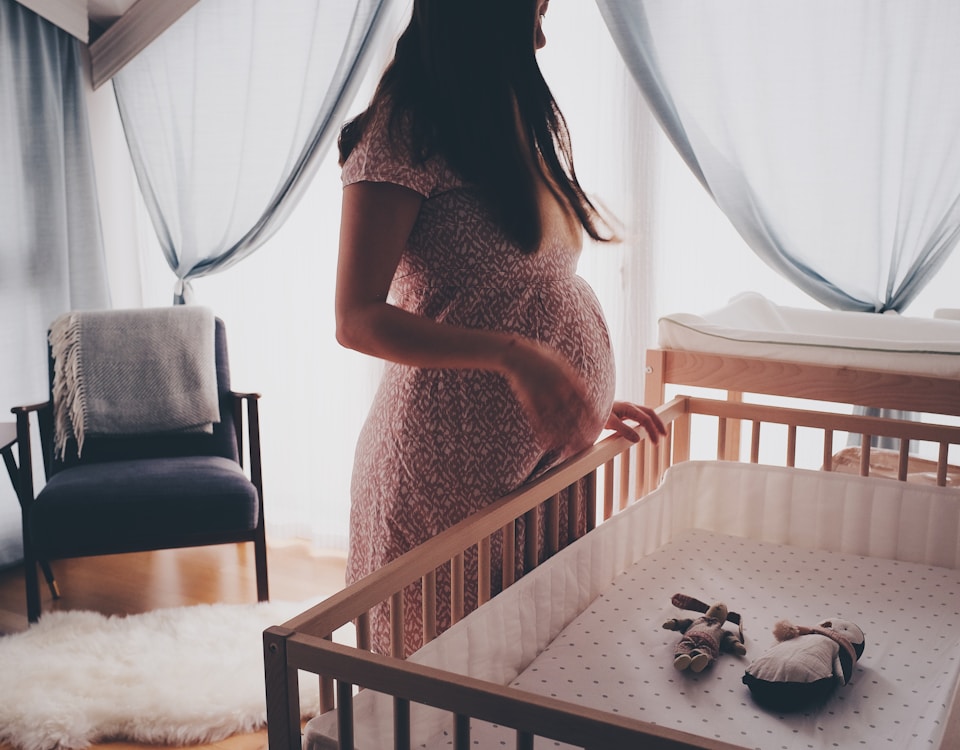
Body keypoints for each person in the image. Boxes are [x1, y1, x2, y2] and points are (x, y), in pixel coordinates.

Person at [335, 0, 666, 656]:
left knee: (524, 662)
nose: (544, 28)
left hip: (533, 473)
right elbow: (356, 317)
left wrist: (574, 399)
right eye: (534, 10)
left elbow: (517, 291)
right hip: (442, 480)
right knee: (447, 684)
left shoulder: (508, 122)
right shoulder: (404, 130)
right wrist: (518, 358)